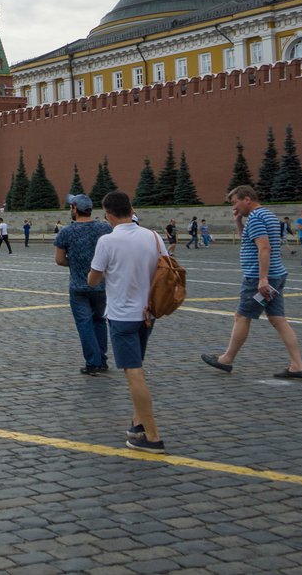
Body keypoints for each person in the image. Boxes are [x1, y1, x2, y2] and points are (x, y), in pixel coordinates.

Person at [87, 191, 167, 453]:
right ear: (131, 209)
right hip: (148, 314)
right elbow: (164, 270)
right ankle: (137, 423)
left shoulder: (107, 241)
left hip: (122, 316)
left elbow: (94, 279)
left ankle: (152, 436)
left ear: (107, 215)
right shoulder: (153, 237)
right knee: (138, 370)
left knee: (134, 373)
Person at [201, 186, 302, 379]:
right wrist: (238, 222)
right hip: (277, 275)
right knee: (278, 320)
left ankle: (226, 359)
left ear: (247, 199)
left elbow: (264, 248)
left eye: (235, 202)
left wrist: (262, 278)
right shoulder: (266, 215)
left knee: (242, 317)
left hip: (260, 278)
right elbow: (249, 240)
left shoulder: (257, 218)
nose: (234, 206)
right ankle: (297, 365)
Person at [55, 194, 112, 375]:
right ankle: (102, 360)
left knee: (84, 324)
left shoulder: (66, 231)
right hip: (101, 286)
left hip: (79, 287)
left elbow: (59, 260)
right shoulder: (105, 228)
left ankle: (93, 362)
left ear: (74, 208)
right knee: (100, 321)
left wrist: (75, 263)